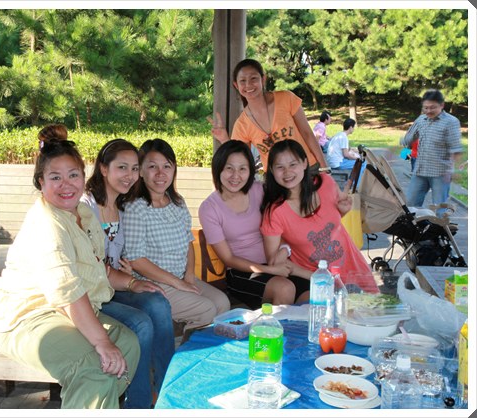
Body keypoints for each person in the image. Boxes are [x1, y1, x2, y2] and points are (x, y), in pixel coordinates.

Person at [0, 124, 140, 409]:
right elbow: (67, 292)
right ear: (41, 182)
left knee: (128, 343)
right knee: (93, 368)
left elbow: (98, 268)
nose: (66, 184)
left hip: (63, 310)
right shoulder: (48, 223)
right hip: (28, 318)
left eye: (73, 175)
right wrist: (102, 342)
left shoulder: (83, 213)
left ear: (84, 177)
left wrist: (133, 283)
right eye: (55, 177)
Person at [81, 138, 174, 409]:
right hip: (90, 295)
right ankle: (139, 404)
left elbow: (122, 256)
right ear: (103, 168)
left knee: (158, 301)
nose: (130, 175)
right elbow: (92, 265)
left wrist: (130, 274)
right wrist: (130, 281)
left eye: (134, 169)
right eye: (122, 167)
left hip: (115, 286)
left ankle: (167, 391)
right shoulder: (85, 208)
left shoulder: (124, 206)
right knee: (141, 324)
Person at [122, 138, 231, 333]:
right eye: (152, 166)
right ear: (141, 171)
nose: (160, 173)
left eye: (167, 166)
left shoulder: (177, 202)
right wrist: (177, 283)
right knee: (205, 310)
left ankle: (208, 348)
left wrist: (189, 276)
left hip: (181, 277)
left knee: (222, 303)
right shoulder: (135, 208)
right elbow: (136, 260)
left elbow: (188, 242)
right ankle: (189, 350)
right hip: (154, 283)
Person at [198, 140, 312, 307]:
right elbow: (228, 259)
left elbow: (283, 223)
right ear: (218, 169)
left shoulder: (260, 190)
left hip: (276, 263)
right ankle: (275, 325)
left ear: (250, 170)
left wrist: (284, 249)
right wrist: (269, 270)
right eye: (229, 168)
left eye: (242, 169)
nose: (236, 176)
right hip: (241, 272)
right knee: (284, 288)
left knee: (311, 294)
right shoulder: (209, 208)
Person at [260, 139, 378, 293]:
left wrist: (343, 211)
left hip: (354, 268)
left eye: (293, 164)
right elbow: (275, 263)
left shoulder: (325, 183)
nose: (287, 172)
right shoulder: (275, 212)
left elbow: (327, 223)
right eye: (280, 167)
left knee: (375, 306)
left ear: (304, 163)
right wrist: (288, 252)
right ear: (271, 170)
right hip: (317, 283)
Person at [209, 58, 328, 173]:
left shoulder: (286, 98)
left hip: (307, 169)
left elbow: (307, 134)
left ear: (263, 79)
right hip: (276, 179)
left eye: (253, 78)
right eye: (243, 81)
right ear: (236, 85)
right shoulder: (242, 124)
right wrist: (224, 139)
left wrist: (324, 168)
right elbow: (240, 158)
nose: (248, 85)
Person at [401, 89, 463, 217]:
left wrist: (453, 170)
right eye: (426, 108)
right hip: (420, 170)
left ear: (442, 105)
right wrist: (407, 138)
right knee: (410, 205)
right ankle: (416, 229)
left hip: (440, 173)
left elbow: (455, 149)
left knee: (439, 209)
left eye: (432, 107)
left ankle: (438, 229)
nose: (428, 111)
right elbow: (407, 140)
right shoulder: (421, 119)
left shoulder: (451, 122)